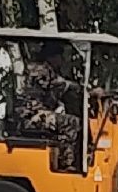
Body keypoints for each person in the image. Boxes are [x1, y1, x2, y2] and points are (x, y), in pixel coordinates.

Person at [16, 40, 84, 171]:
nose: (63, 60)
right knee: (74, 123)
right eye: (61, 56)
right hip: (32, 115)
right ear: (53, 57)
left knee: (65, 122)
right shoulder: (41, 70)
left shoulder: (42, 68)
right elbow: (59, 85)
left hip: (37, 112)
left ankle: (64, 158)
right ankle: (68, 164)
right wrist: (83, 89)